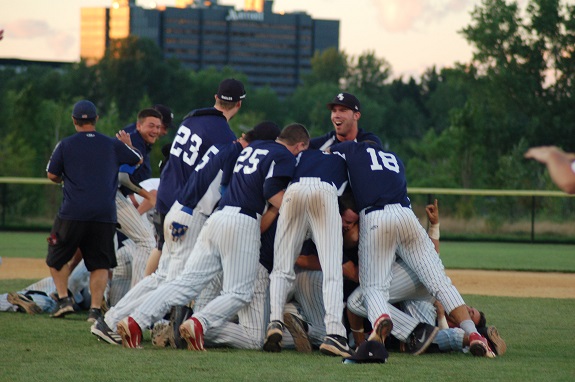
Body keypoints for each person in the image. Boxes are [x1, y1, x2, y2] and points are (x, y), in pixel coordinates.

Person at [113, 123, 309, 350]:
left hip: (216, 219)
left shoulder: (247, 151)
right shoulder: (283, 154)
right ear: (298, 146)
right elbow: (273, 194)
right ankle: (198, 323)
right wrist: (302, 211)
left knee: (185, 283)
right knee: (239, 292)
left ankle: (136, 321)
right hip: (243, 220)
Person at [329, 140, 495, 358]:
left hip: (376, 216)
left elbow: (329, 151)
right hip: (407, 215)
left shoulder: (354, 148)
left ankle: (380, 327)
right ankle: (474, 335)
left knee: (373, 290)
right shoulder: (395, 159)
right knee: (441, 283)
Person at [46, 99, 142, 319]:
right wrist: (127, 144)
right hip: (104, 214)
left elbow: (52, 174)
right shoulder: (111, 144)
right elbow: (136, 159)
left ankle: (63, 299)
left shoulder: (66, 144)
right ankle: (95, 310)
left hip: (72, 212)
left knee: (55, 256)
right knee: (100, 263)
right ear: (96, 119)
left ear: (74, 120)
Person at [264, 148, 353, 357]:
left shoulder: (305, 153)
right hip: (324, 190)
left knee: (281, 267)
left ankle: (274, 321)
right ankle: (334, 334)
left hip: (293, 190)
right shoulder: (345, 157)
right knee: (332, 270)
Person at [152, 78, 245, 269]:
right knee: (179, 271)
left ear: (216, 97)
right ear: (239, 104)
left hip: (165, 193)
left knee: (162, 255)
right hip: (186, 205)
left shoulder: (192, 118)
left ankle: (144, 291)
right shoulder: (226, 136)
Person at [115, 108, 164, 289]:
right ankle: (137, 302)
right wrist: (147, 197)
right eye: (151, 125)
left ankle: (97, 306)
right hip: (113, 200)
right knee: (146, 244)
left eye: (158, 127)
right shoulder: (134, 142)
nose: (156, 131)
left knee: (102, 256)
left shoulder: (139, 144)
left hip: (99, 198)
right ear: (138, 126)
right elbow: (123, 178)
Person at [309, 92, 382, 151]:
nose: (336, 115)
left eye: (343, 110)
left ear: (356, 116)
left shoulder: (370, 140)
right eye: (334, 111)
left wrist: (332, 150)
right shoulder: (319, 144)